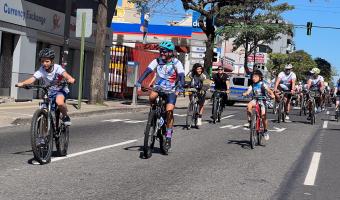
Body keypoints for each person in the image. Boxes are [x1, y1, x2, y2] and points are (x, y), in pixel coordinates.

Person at [135, 40, 185, 150]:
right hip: (158, 87)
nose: (162, 53)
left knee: (169, 111)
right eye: (161, 51)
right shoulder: (157, 61)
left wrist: (181, 86)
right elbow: (147, 71)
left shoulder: (177, 62)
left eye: (165, 51)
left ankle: (168, 135)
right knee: (152, 97)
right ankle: (153, 112)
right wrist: (139, 81)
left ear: (171, 52)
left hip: (171, 90)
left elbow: (181, 75)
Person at [15, 48, 75, 126]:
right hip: (49, 91)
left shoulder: (57, 68)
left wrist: (70, 79)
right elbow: (32, 79)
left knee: (59, 102)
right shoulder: (41, 70)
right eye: (42, 61)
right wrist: (22, 83)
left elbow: (65, 74)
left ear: (52, 61)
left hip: (60, 89)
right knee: (44, 110)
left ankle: (65, 116)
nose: (44, 63)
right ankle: (44, 134)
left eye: (47, 61)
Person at [243, 70, 275, 140]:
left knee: (263, 116)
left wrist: (272, 94)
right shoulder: (252, 85)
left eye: (256, 77)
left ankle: (265, 130)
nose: (254, 78)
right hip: (255, 100)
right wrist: (246, 93)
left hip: (262, 100)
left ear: (260, 78)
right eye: (253, 77)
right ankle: (250, 121)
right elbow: (248, 91)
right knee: (248, 106)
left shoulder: (263, 84)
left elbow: (269, 90)